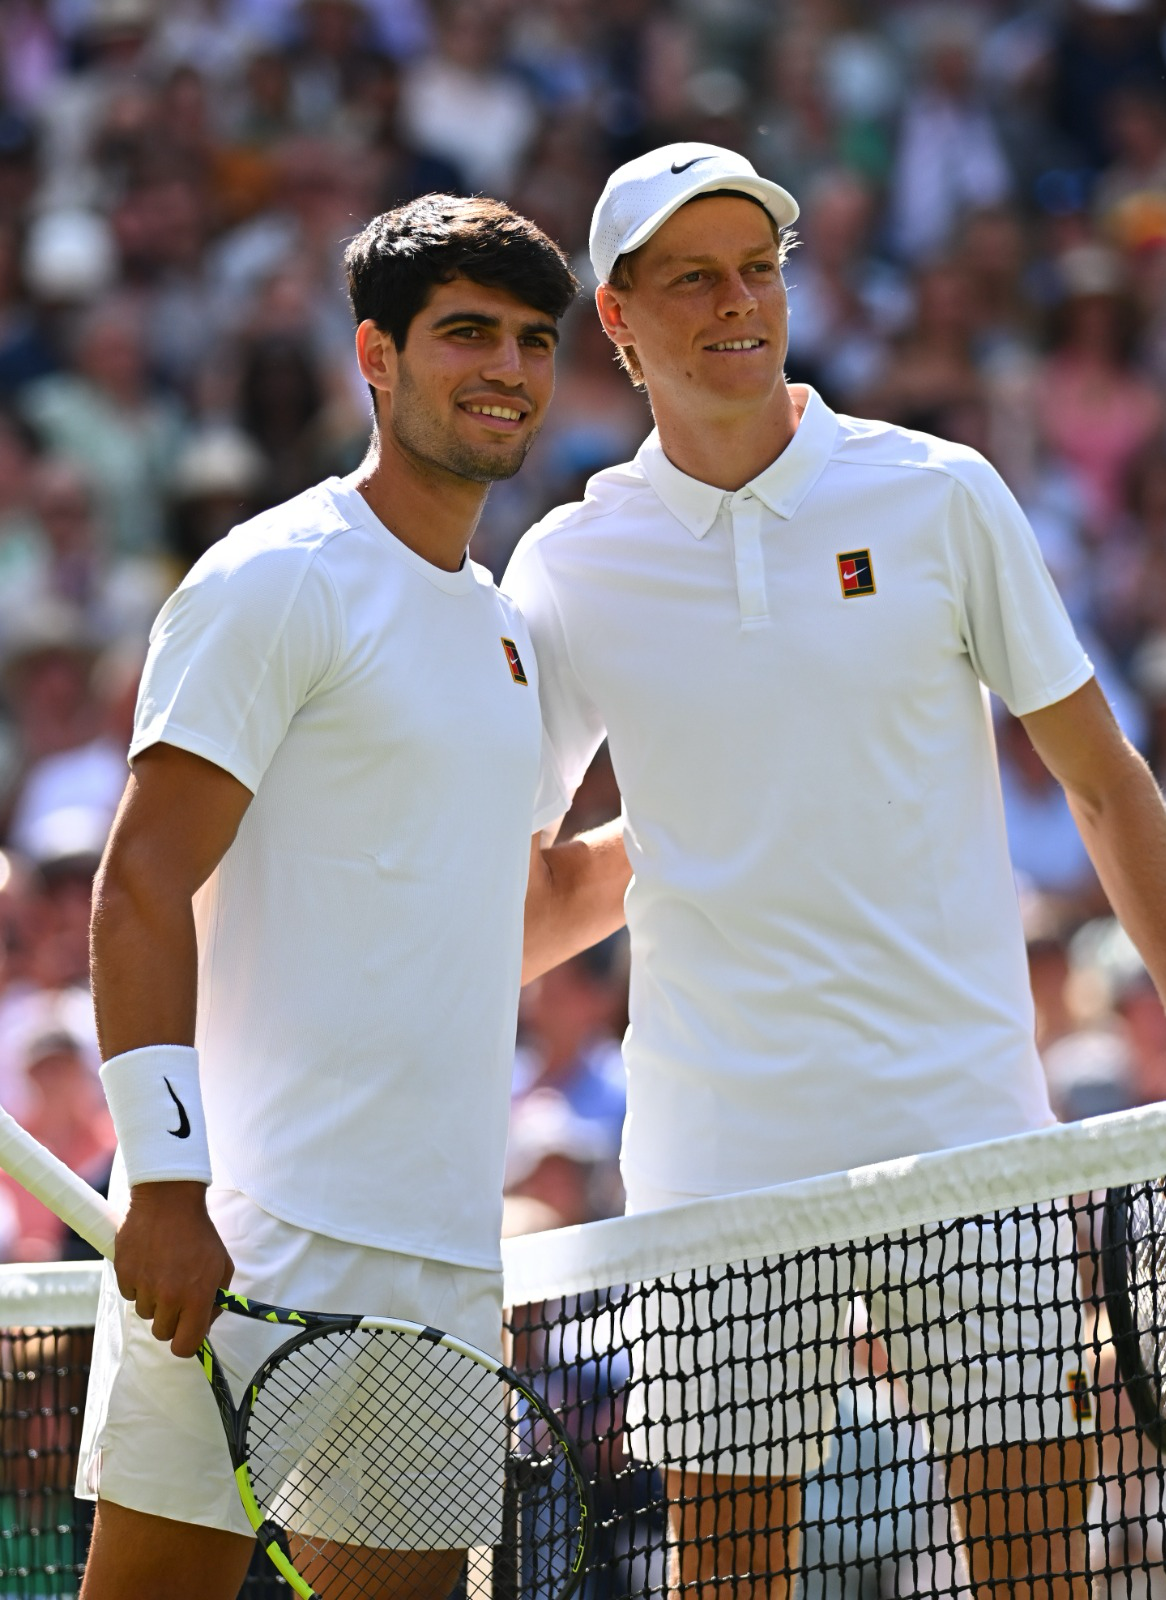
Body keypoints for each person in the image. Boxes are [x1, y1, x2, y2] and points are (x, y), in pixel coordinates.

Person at [502, 144, 1166, 1600]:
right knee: (726, 1581)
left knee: (1037, 1574)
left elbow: (1105, 781)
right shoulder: (568, 565)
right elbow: (519, 902)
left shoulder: (941, 494)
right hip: (716, 1155)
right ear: (619, 321)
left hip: (969, 1126)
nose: (739, 302)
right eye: (695, 278)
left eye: (758, 268)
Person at [76, 193, 626, 1600]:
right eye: (467, 333)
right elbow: (140, 884)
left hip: (439, 1259)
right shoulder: (277, 579)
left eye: (533, 339)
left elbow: (499, 928)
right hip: (247, 1232)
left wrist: (687, 845)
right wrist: (169, 1184)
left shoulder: (502, 631)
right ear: (376, 356)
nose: (508, 367)